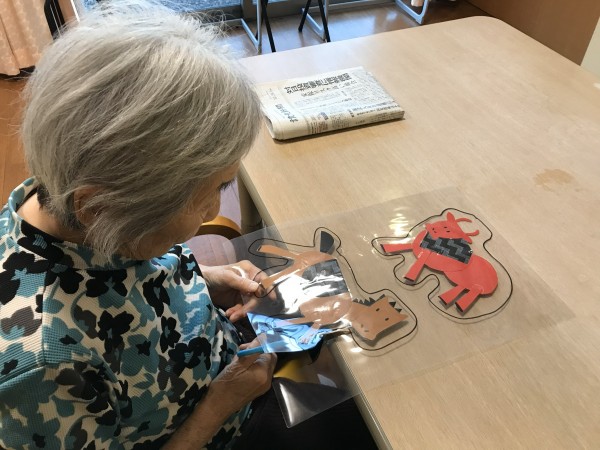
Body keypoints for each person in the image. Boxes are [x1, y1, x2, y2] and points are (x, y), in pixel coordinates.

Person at [0, 1, 378, 449]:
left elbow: (131, 275)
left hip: (216, 354)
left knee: (353, 324)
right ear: (99, 208)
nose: (214, 208)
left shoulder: (69, 203)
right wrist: (219, 405)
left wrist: (204, 278)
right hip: (218, 424)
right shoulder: (43, 368)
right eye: (210, 193)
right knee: (377, 415)